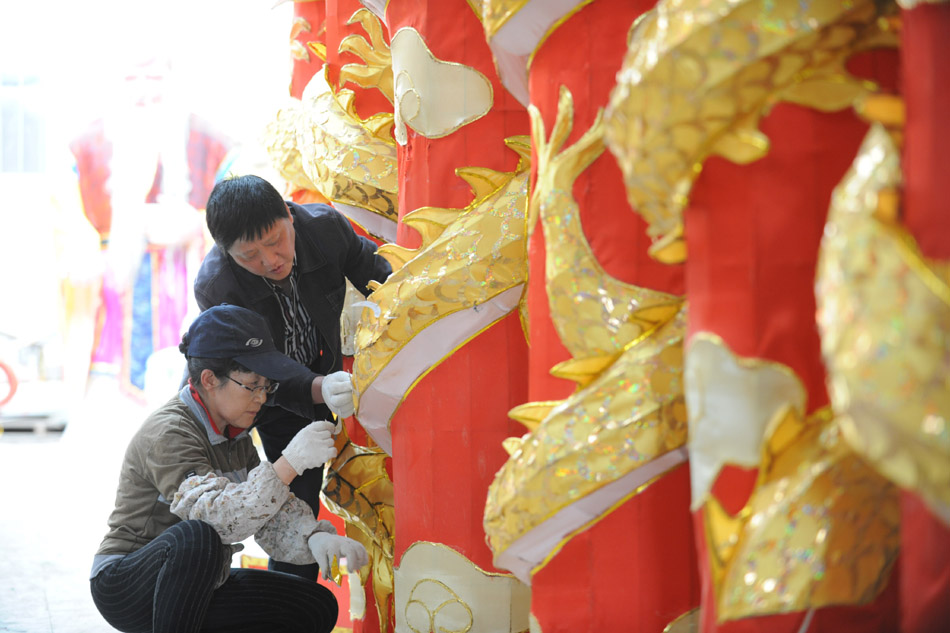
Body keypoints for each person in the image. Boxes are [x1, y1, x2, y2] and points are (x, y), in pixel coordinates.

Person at [90, 304, 369, 633]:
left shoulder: (235, 436)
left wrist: (314, 539)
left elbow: (266, 515)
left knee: (315, 606)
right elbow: (217, 520)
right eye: (253, 385)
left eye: (266, 386)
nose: (262, 398)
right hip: (126, 585)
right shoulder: (170, 432)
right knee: (198, 537)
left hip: (202, 583)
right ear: (209, 380)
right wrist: (290, 463)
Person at [194, 174, 391, 580]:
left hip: (322, 379)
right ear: (226, 252)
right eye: (249, 255)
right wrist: (317, 388)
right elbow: (257, 365)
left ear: (289, 214)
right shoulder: (217, 284)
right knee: (288, 507)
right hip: (257, 398)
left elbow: (383, 279)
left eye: (275, 240)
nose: (269, 260)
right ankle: (282, 604)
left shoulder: (326, 229)